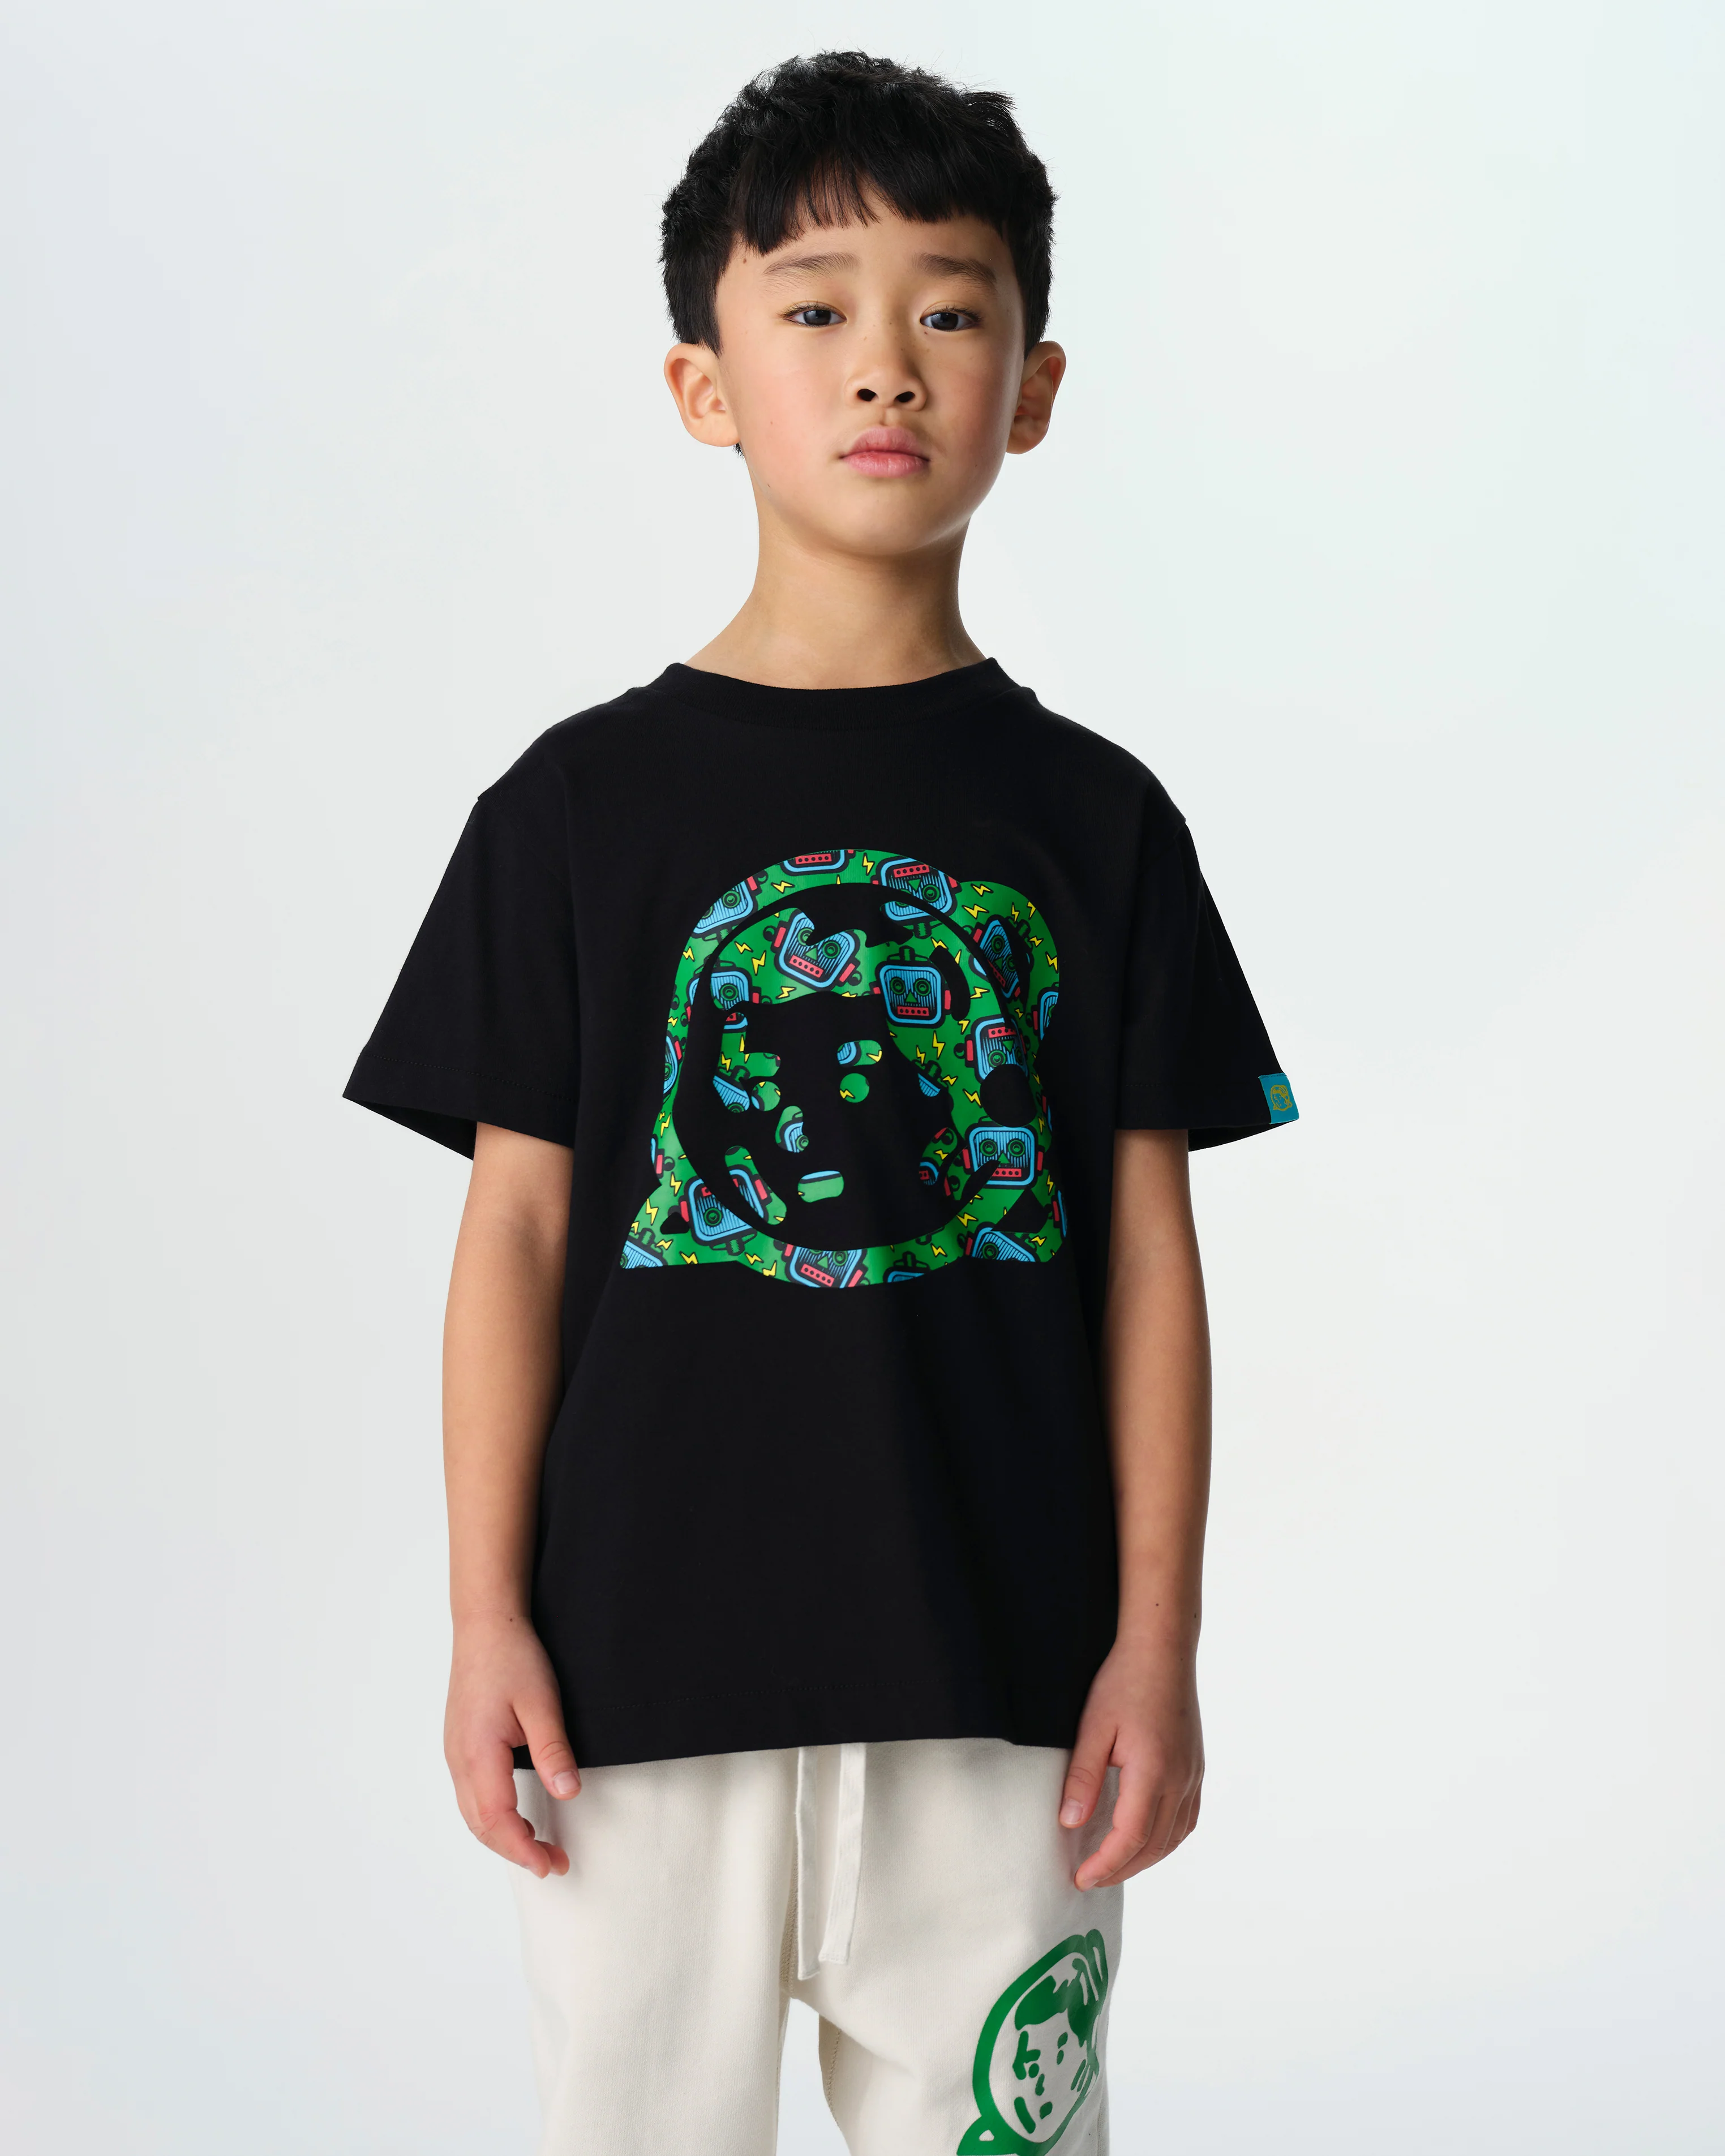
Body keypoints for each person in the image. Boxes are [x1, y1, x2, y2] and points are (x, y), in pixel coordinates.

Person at [344, 50, 1297, 2156]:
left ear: (1033, 390)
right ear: (705, 387)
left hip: (1004, 1690)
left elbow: (1150, 1261)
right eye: (815, 308)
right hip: (634, 1696)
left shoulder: (1101, 825)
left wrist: (1157, 1642)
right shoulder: (574, 811)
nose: (888, 363)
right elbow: (515, 1234)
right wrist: (485, 1617)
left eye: (952, 309)